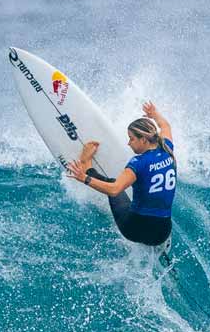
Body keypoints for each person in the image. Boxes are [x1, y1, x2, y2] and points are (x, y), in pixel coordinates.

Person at [66, 101, 177, 246]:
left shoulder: (139, 163)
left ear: (143, 139)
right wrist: (154, 114)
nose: (128, 143)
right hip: (162, 233)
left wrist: (84, 177)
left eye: (131, 138)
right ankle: (160, 247)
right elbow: (165, 126)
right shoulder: (167, 149)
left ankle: (87, 165)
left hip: (134, 230)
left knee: (112, 182)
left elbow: (114, 189)